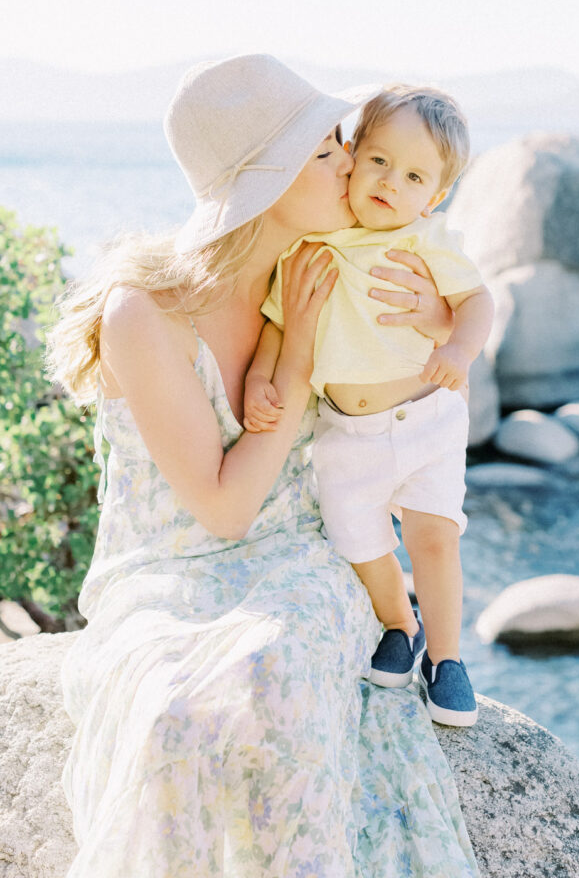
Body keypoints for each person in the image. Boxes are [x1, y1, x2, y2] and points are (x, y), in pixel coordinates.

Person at [48, 55, 480, 877]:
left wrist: (437, 319)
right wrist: (298, 351)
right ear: (266, 178)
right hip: (173, 568)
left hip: (300, 552)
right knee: (177, 713)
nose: (352, 162)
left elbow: (429, 379)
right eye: (325, 151)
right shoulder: (148, 311)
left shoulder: (324, 263)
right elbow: (223, 511)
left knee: (272, 669)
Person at [243, 85, 493, 728]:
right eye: (379, 160)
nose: (389, 183)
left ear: (434, 195)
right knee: (359, 537)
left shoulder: (425, 238)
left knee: (435, 535)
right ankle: (397, 624)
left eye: (413, 176)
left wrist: (460, 351)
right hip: (346, 431)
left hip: (427, 416)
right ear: (351, 154)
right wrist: (258, 382)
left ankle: (448, 659)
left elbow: (477, 303)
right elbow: (276, 323)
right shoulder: (312, 244)